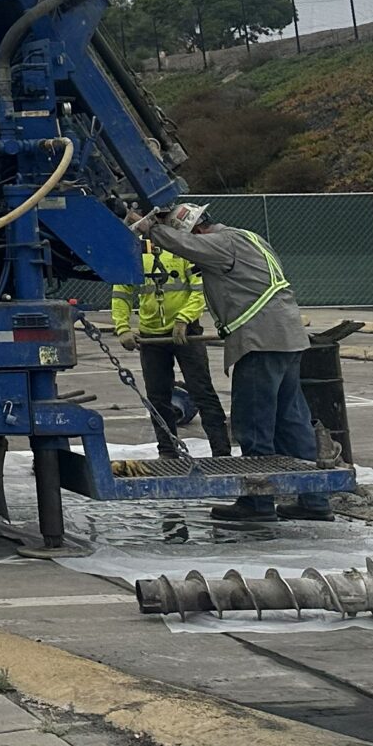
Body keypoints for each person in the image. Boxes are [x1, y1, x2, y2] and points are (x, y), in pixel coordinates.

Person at [127, 202, 331, 522]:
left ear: (197, 230)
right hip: (287, 338)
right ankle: (314, 500)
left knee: (253, 423)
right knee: (291, 421)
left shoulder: (222, 243)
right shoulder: (248, 237)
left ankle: (257, 504)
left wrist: (150, 227)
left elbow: (185, 245)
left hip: (260, 341)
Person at [111, 239, 233, 460]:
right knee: (158, 397)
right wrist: (122, 328)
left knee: (202, 391)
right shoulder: (134, 251)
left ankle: (221, 452)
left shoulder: (182, 248)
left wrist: (184, 319)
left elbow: (199, 288)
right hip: (151, 336)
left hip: (186, 333)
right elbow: (122, 293)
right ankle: (167, 451)